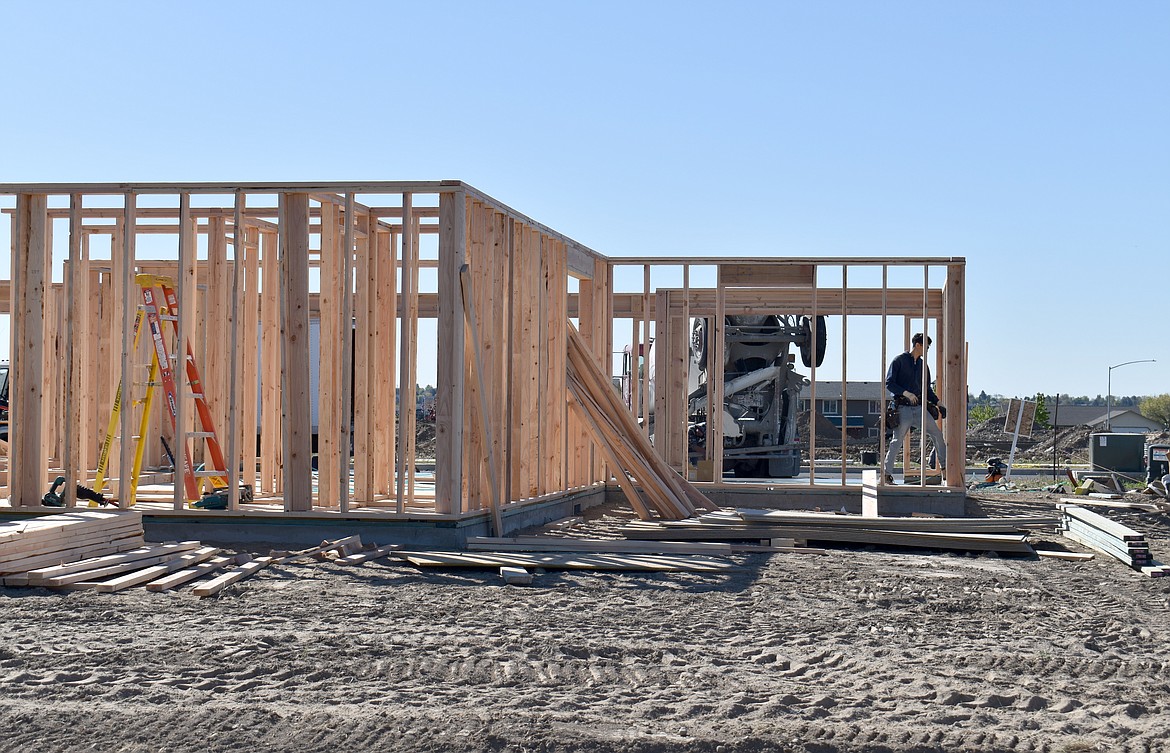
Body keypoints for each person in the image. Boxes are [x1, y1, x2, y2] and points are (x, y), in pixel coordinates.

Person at [883, 333, 947, 484]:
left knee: (937, 435)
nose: (927, 349)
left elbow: (927, 391)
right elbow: (889, 383)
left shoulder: (922, 366)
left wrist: (939, 403)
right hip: (903, 408)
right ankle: (886, 475)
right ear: (918, 345)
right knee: (897, 441)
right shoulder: (899, 361)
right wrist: (905, 393)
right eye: (926, 346)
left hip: (918, 409)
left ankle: (945, 470)